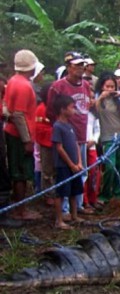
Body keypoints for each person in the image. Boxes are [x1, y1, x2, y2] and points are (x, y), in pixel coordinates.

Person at [47, 51, 94, 215]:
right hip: (64, 134)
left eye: (82, 65)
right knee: (66, 172)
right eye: (77, 65)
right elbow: (50, 110)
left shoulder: (86, 85)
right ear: (68, 67)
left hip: (81, 133)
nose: (81, 68)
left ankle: (78, 206)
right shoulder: (58, 86)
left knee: (82, 172)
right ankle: (65, 210)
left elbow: (87, 107)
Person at [4, 49, 41, 221]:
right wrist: (27, 139)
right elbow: (18, 115)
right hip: (19, 135)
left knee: (18, 170)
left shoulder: (12, 80)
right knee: (20, 172)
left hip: (13, 132)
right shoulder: (24, 85)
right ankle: (20, 209)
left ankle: (19, 206)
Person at [95, 74, 120, 209]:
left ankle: (118, 194)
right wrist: (100, 97)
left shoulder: (118, 100)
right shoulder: (100, 100)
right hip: (107, 137)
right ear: (102, 87)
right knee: (110, 166)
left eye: (112, 86)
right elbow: (95, 112)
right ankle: (105, 194)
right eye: (107, 86)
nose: (110, 89)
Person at [52, 95, 84, 229]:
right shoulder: (57, 126)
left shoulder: (70, 126)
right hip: (63, 166)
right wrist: (70, 164)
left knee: (74, 191)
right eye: (72, 107)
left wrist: (79, 162)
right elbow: (59, 148)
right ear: (62, 109)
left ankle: (74, 215)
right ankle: (59, 220)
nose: (74, 110)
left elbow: (76, 144)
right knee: (61, 192)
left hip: (75, 165)